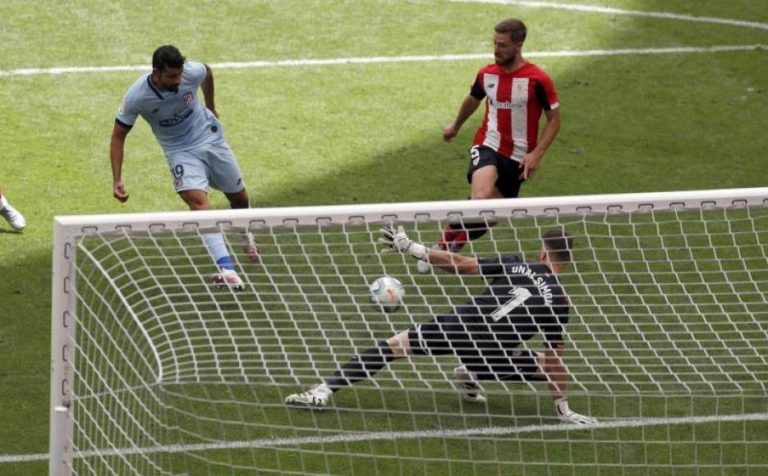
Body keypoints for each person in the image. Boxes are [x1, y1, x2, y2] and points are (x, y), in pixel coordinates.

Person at [285, 226, 597, 425]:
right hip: (490, 350)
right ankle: (473, 372)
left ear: (542, 252)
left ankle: (322, 391)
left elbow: (461, 264)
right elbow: (556, 360)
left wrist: (413, 248)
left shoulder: (518, 263)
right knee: (544, 363)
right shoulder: (560, 302)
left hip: (459, 323)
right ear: (565, 261)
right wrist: (563, 408)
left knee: (394, 347)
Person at [110, 45, 259, 290]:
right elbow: (118, 136)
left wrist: (211, 105)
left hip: (209, 138)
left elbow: (208, 72)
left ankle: (246, 236)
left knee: (239, 198)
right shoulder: (137, 96)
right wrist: (117, 179)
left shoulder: (190, 72)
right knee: (197, 201)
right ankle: (227, 268)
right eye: (170, 76)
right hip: (179, 152)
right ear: (155, 72)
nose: (177, 81)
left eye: (179, 75)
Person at [419, 18, 560, 273]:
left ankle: (453, 241)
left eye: (503, 45)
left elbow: (554, 122)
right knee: (480, 199)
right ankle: (440, 247)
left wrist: (536, 154)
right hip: (487, 145)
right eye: (495, 44)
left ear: (519, 44)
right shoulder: (487, 74)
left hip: (518, 158)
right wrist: (456, 126)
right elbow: (474, 99)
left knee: (489, 217)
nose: (497, 50)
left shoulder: (538, 80)